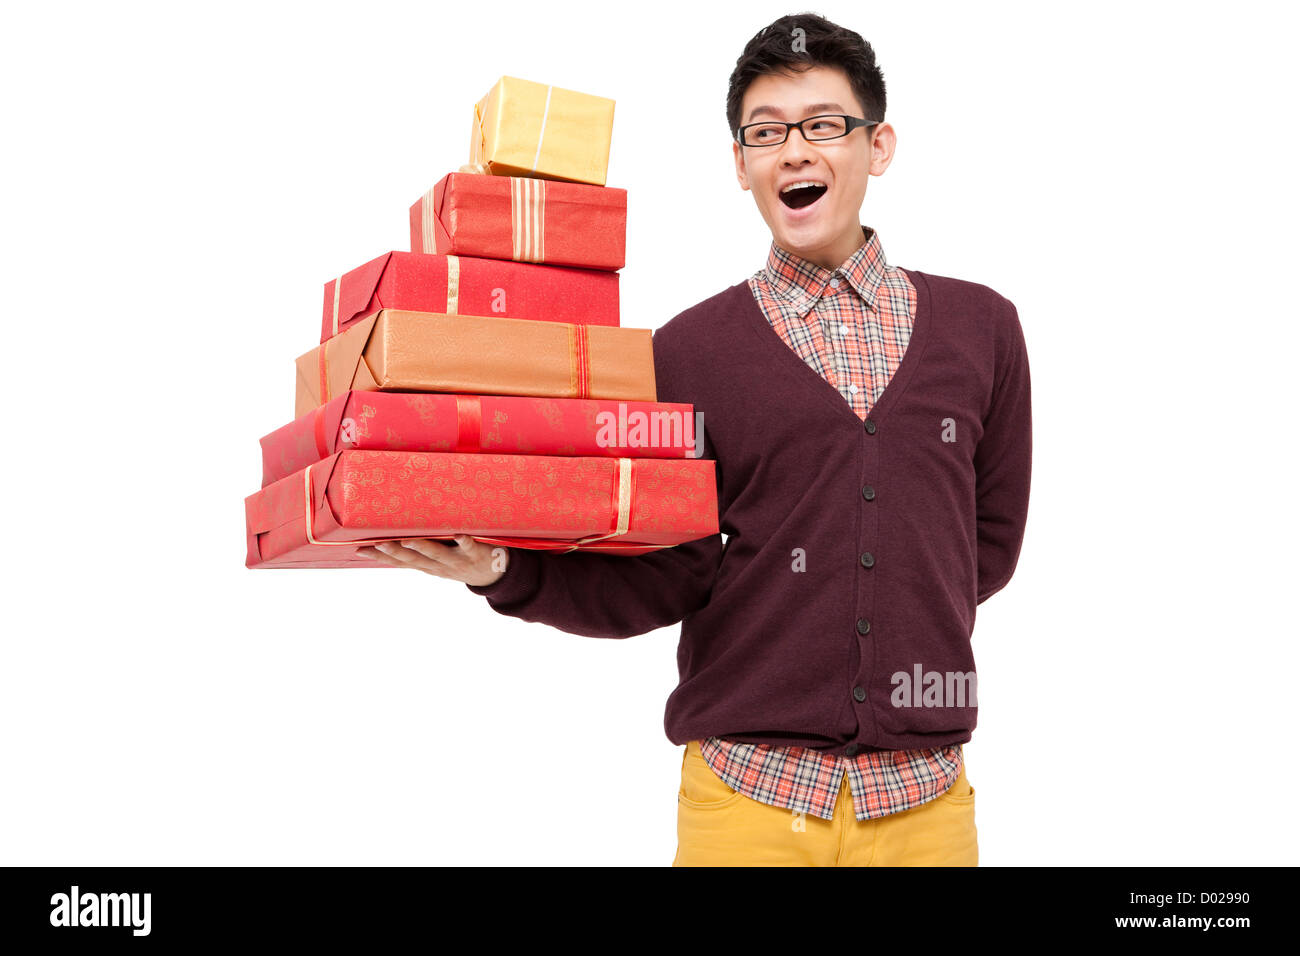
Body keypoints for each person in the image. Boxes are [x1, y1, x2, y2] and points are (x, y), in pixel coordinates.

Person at [359, 11, 1032, 867]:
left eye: (824, 125)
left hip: (927, 805)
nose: (795, 151)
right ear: (741, 164)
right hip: (744, 802)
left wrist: (897, 614)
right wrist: (503, 569)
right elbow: (669, 571)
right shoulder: (687, 352)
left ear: (880, 145)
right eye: (765, 133)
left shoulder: (984, 327)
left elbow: (987, 544)